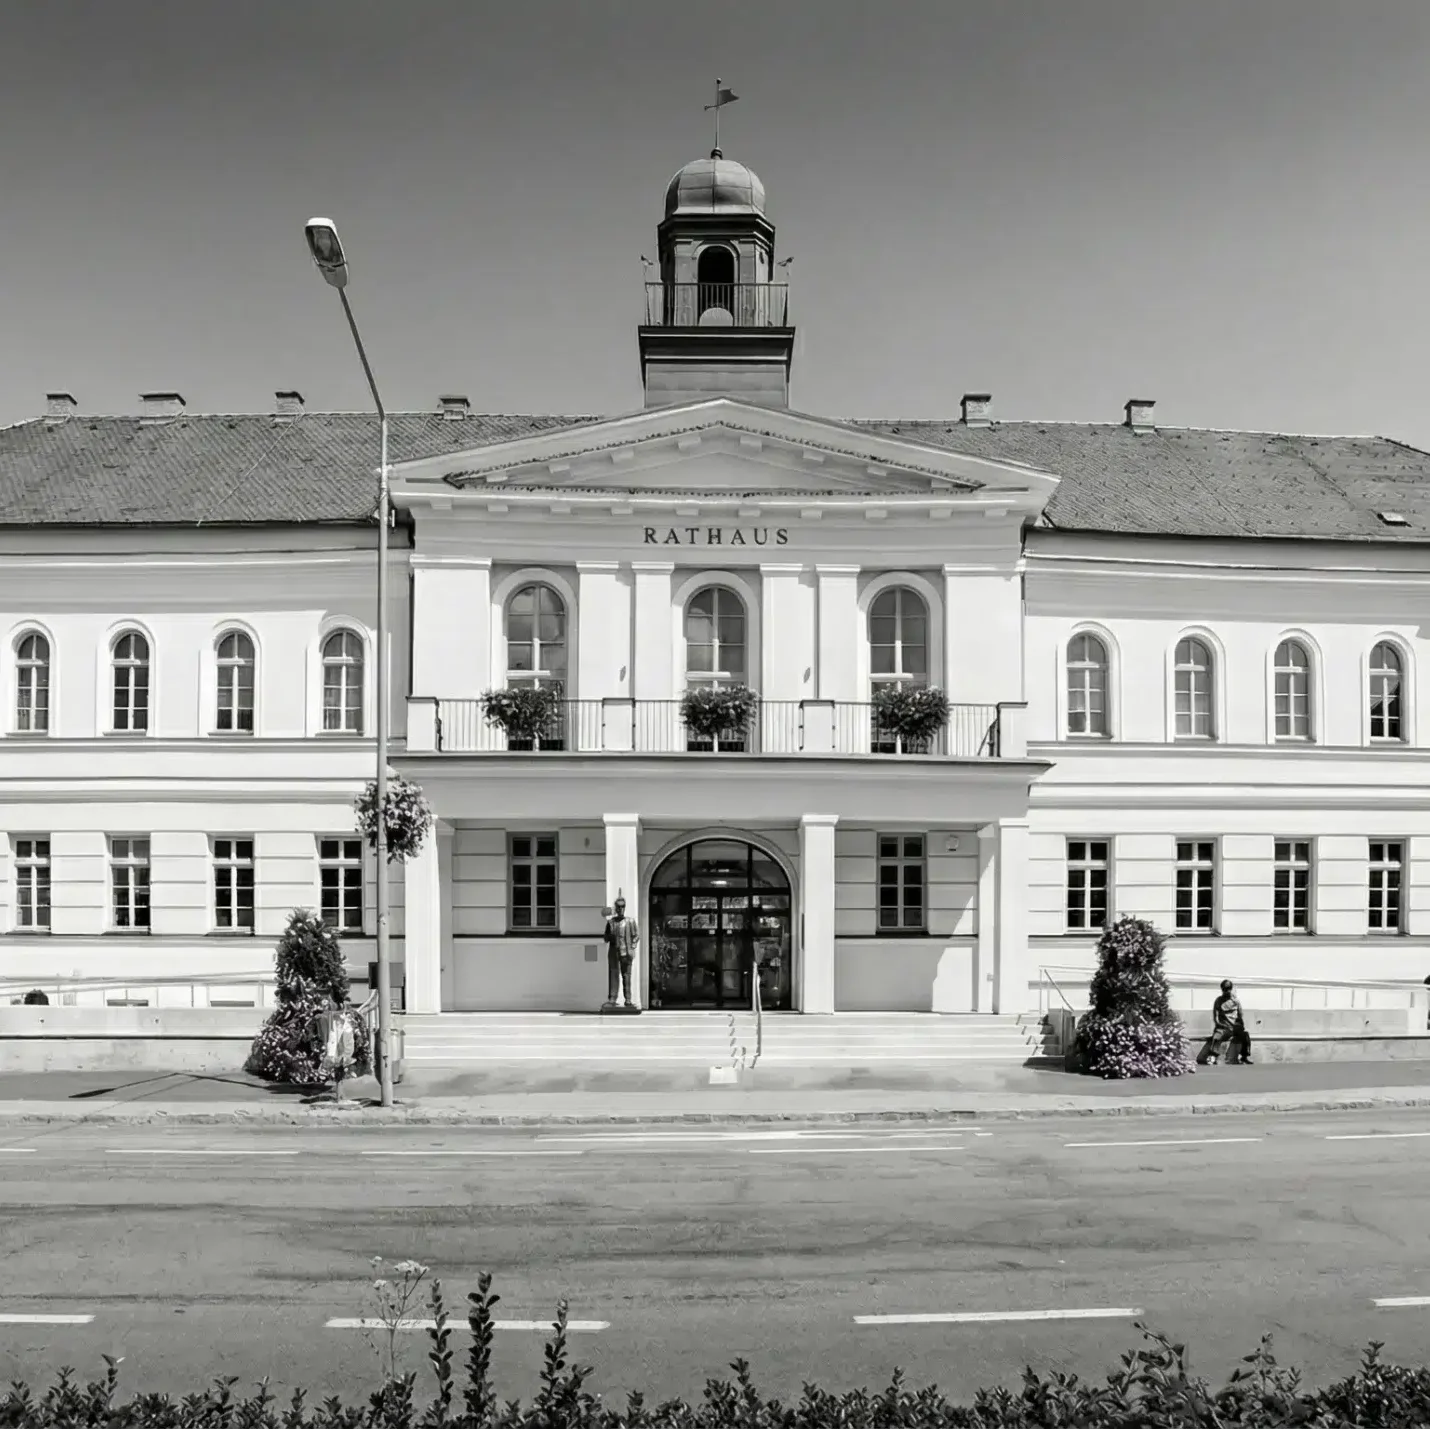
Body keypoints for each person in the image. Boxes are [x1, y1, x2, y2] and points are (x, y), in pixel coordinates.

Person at [603, 894, 640, 1010]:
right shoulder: (611, 922)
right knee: (613, 974)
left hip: (626, 952)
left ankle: (628, 999)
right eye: (618, 907)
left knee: (626, 975)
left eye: (623, 906)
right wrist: (610, 936)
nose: (621, 909)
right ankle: (612, 998)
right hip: (614, 951)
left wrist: (632, 946)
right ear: (615, 908)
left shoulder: (630, 921)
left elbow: (636, 936)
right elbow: (605, 938)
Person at [1208, 979, 1253, 1065]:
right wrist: (1220, 1025)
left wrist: (1239, 1025)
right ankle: (1213, 1057)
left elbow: (1240, 1014)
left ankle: (1244, 1057)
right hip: (1223, 1027)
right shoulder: (1218, 1001)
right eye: (1225, 989)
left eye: (1229, 988)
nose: (1227, 991)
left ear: (1231, 988)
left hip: (1234, 1028)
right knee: (1217, 1035)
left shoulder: (1235, 1001)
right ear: (1222, 989)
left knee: (1245, 1035)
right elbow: (1216, 1017)